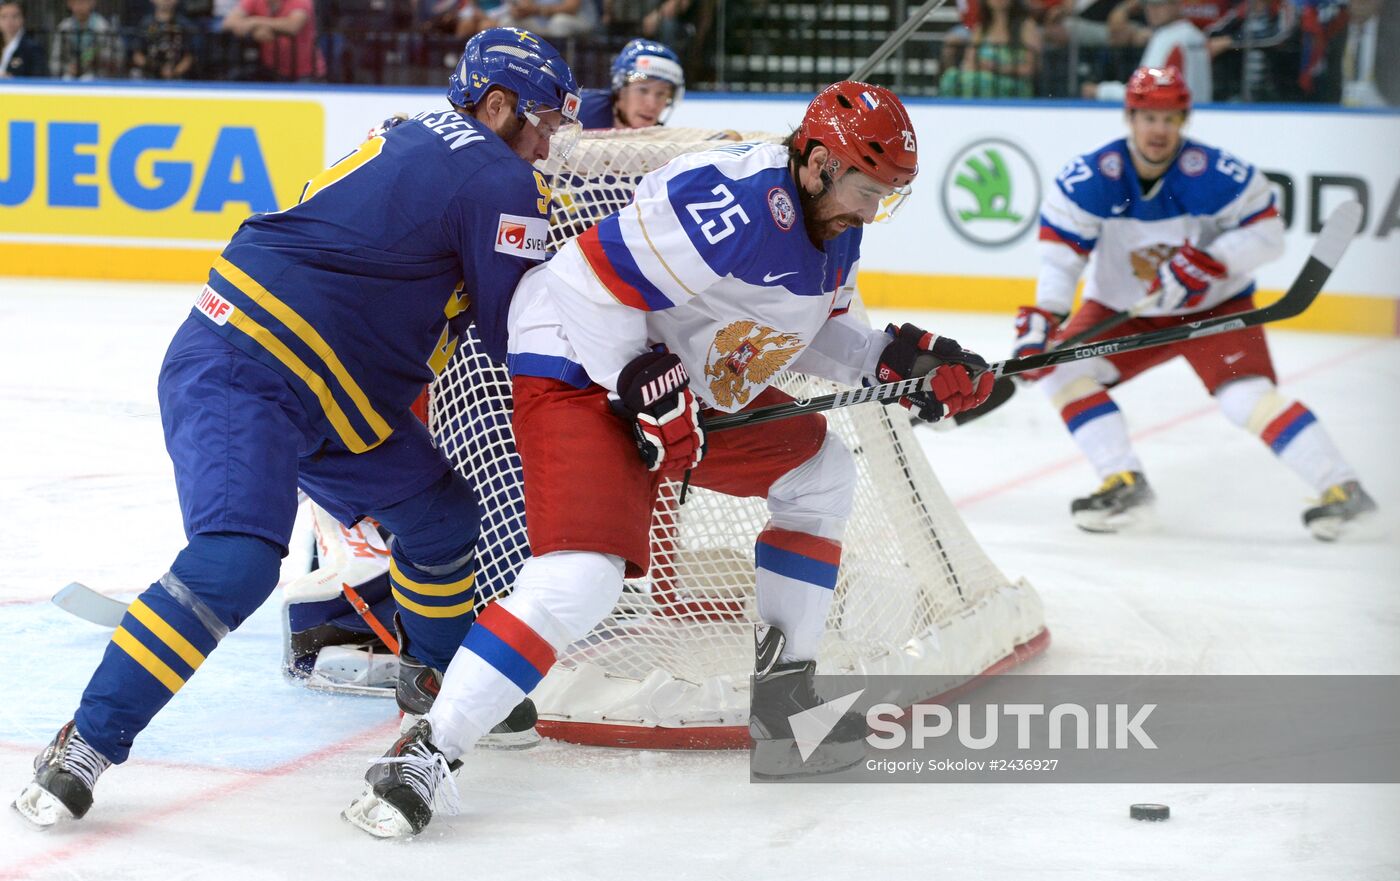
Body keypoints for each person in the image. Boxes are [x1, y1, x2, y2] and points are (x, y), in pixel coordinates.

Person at [341, 80, 996, 838]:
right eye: (864, 187)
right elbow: (589, 279)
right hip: (578, 363)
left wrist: (894, 361)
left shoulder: (835, 224)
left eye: (886, 195)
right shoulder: (729, 198)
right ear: (817, 161)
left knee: (820, 473)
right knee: (580, 580)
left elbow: (815, 329)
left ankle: (784, 707)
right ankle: (427, 751)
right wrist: (633, 376)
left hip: (671, 380)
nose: (872, 208)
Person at [12, 27, 582, 829]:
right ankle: (87, 740)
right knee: (234, 561)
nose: (550, 142)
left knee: (443, 518)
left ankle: (437, 674)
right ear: (496, 105)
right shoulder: (496, 176)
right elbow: (512, 330)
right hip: (254, 370)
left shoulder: (423, 137)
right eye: (545, 122)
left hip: (330, 390)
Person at [1014, 65, 1376, 539]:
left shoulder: (1216, 173)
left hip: (1216, 310)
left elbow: (1268, 236)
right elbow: (1062, 260)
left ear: (1184, 120)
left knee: (1243, 398)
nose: (1158, 129)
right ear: (1130, 117)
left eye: (1169, 118)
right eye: (1147, 116)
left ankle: (1344, 491)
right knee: (1061, 370)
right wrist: (1044, 320)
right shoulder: (1091, 177)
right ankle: (1123, 483)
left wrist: (1212, 259)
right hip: (1128, 312)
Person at [1084, 0, 1212, 102]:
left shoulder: (1167, 38)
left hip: (1173, 112)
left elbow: (1144, 89)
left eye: (1159, 5)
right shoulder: (1195, 35)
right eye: (1148, 4)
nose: (1152, 10)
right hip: (1201, 112)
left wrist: (1100, 91)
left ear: (1177, 5)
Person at [577, 37, 684, 129]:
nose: (652, 105)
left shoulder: (663, 143)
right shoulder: (577, 112)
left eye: (661, 94)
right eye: (643, 90)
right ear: (619, 90)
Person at [221, 0, 326, 81]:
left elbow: (293, 26)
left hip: (305, 73)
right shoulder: (253, 1)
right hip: (271, 71)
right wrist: (254, 33)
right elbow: (228, 23)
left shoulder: (301, 1)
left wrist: (255, 22)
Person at [129, 0, 198, 79]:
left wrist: (175, 71)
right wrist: (157, 68)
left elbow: (189, 57)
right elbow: (137, 55)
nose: (166, 1)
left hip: (178, 80)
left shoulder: (185, 25)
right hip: (148, 78)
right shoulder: (145, 24)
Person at [50, 0, 119, 80]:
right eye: (75, 2)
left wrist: (97, 58)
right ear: (69, 4)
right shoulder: (64, 28)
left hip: (97, 75)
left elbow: (116, 58)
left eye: (83, 2)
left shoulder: (102, 27)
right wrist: (67, 68)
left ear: (92, 3)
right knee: (67, 79)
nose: (80, 6)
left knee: (88, 79)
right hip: (69, 74)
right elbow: (55, 61)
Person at [0, 0, 46, 77]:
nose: (9, 21)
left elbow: (39, 78)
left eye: (14, 16)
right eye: (4, 16)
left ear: (23, 18)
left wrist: (12, 79)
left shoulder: (32, 48)